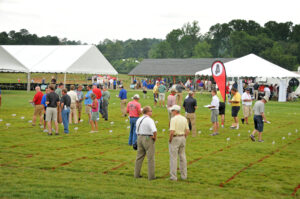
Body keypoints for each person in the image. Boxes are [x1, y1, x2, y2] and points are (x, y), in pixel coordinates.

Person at [134, 106, 157, 180]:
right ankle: (151, 176)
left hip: (139, 137)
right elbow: (154, 130)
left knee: (139, 157)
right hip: (147, 138)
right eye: (151, 111)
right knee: (150, 158)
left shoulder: (139, 119)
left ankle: (136, 174)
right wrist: (154, 138)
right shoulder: (149, 120)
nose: (152, 112)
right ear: (148, 112)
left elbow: (136, 130)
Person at [169, 105, 189, 181]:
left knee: (173, 158)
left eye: (172, 111)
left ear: (175, 111)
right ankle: (184, 175)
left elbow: (172, 131)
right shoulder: (184, 118)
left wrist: (170, 139)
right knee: (182, 157)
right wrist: (184, 137)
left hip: (175, 137)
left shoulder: (173, 119)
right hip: (182, 137)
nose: (171, 112)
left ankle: (173, 176)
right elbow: (187, 130)